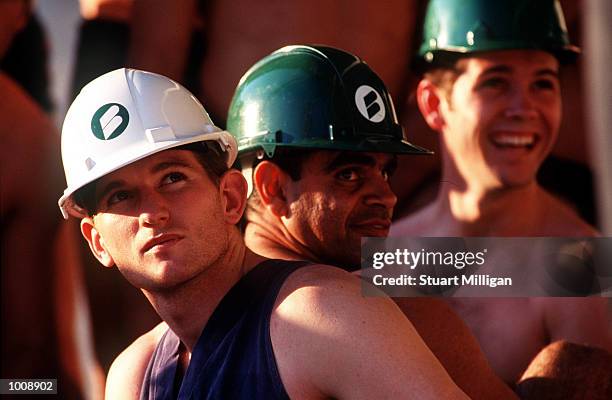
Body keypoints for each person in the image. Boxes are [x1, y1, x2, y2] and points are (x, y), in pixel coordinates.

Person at [59, 67, 469, 399]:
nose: (153, 212)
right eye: (119, 197)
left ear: (231, 197)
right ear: (97, 242)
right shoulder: (134, 377)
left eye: (172, 178)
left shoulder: (319, 313)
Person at [227, 44, 516, 399]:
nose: (387, 197)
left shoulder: (171, 337)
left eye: (385, 172)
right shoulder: (396, 310)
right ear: (273, 188)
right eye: (349, 175)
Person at [390, 0, 611, 384]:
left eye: (543, 83)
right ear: (433, 103)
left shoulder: (578, 266)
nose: (524, 109)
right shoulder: (389, 251)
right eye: (495, 81)